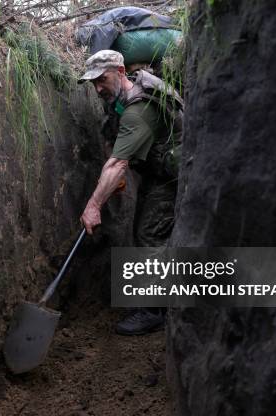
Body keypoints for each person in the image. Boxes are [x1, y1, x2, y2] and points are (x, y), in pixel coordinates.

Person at [77, 50, 181, 335]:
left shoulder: (139, 107)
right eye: (93, 83)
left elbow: (118, 163)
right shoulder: (121, 98)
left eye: (102, 79)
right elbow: (117, 145)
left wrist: (94, 205)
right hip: (157, 171)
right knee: (145, 230)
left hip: (175, 176)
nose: (98, 88)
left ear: (121, 72)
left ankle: (154, 311)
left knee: (150, 232)